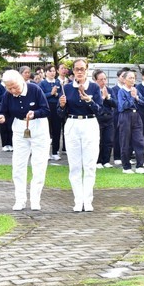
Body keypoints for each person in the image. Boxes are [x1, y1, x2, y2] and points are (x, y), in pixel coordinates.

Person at [0, 70, 51, 211]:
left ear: (21, 80)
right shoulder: (8, 95)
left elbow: (46, 109)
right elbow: (4, 111)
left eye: (15, 87)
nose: (13, 90)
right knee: (18, 165)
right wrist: (2, 117)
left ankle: (35, 199)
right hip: (20, 129)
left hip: (38, 128)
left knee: (39, 164)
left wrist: (35, 113)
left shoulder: (35, 89)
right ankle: (20, 199)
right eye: (9, 88)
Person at [57, 59, 103, 212]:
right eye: (77, 69)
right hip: (72, 124)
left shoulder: (95, 87)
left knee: (89, 165)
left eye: (82, 69)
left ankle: (88, 200)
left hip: (89, 123)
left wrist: (89, 100)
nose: (79, 71)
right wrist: (62, 105)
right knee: (75, 165)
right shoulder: (67, 88)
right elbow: (60, 113)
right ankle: (78, 200)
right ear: (73, 71)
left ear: (87, 70)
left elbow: (100, 110)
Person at [118, 71, 144, 174]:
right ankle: (126, 167)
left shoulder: (136, 91)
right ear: (125, 80)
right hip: (125, 116)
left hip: (136, 116)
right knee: (125, 141)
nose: (132, 80)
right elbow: (123, 106)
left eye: (134, 78)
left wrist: (137, 98)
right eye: (130, 78)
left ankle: (140, 165)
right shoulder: (122, 91)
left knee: (139, 140)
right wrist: (132, 97)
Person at [40, 65, 63, 160]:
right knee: (46, 131)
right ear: (45, 72)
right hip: (46, 108)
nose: (52, 73)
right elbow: (41, 96)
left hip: (56, 108)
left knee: (57, 130)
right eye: (50, 71)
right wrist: (51, 94)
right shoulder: (42, 83)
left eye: (54, 71)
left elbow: (62, 94)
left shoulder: (58, 82)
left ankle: (55, 151)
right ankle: (46, 152)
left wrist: (57, 94)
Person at [94, 69, 117, 169]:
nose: (103, 81)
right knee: (98, 140)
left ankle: (106, 160)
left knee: (108, 140)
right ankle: (98, 161)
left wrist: (108, 97)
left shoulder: (110, 90)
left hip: (109, 118)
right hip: (98, 118)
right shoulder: (94, 90)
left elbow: (115, 104)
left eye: (105, 79)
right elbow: (94, 105)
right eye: (101, 79)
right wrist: (102, 98)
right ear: (95, 80)